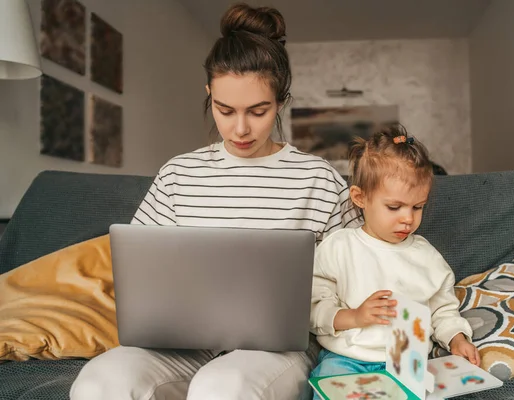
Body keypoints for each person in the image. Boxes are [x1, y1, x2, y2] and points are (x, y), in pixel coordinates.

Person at [70, 3, 358, 400]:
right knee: (99, 383)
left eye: (258, 111)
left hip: (277, 351)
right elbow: (141, 271)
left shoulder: (317, 178)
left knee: (223, 387)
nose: (240, 128)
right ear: (209, 93)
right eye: (225, 110)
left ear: (282, 100)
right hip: (181, 344)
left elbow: (358, 267)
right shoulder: (178, 173)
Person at [309, 125, 479, 396]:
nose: (408, 219)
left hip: (406, 364)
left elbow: (443, 310)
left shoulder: (427, 258)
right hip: (346, 361)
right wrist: (354, 316)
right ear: (360, 198)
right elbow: (313, 306)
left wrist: (457, 338)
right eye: (394, 207)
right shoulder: (339, 247)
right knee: (328, 389)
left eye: (417, 207)